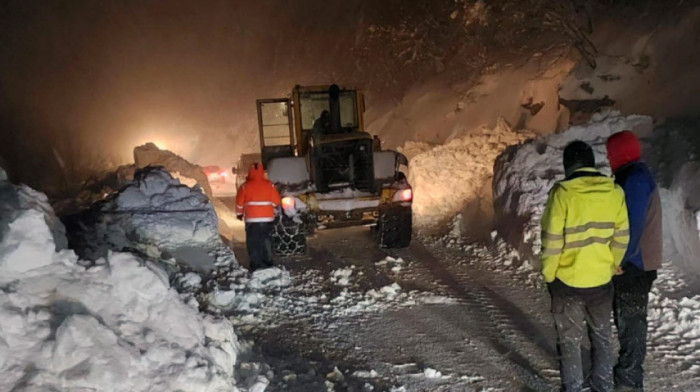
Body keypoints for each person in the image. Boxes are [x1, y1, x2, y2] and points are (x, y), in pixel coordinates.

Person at [540, 140, 630, 392]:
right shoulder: (614, 193)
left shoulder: (562, 194)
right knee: (602, 338)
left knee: (569, 341)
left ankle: (574, 388)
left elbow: (552, 242)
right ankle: (603, 387)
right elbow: (622, 236)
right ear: (591, 163)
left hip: (567, 283)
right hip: (601, 282)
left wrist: (549, 275)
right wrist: (612, 264)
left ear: (568, 166)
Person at [606, 131, 662, 392]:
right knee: (629, 320)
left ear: (620, 153)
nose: (608, 159)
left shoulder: (635, 179)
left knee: (631, 322)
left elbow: (631, 224)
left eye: (610, 154)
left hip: (635, 264)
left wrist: (620, 260)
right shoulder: (634, 175)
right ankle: (629, 378)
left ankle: (628, 382)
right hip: (638, 262)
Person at [235, 162, 281, 271]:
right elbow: (276, 201)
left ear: (250, 172)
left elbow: (239, 203)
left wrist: (239, 214)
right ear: (262, 172)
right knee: (266, 241)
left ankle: (256, 265)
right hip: (267, 220)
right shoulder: (269, 185)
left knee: (253, 243)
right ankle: (267, 263)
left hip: (252, 220)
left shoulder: (244, 186)